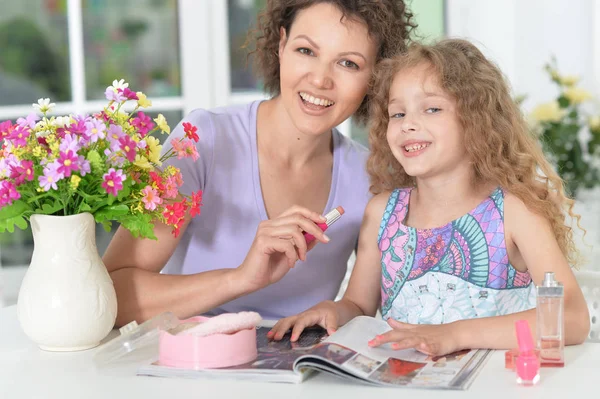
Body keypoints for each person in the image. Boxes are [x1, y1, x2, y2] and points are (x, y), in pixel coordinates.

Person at [102, 0, 416, 326]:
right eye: (306, 51)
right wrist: (240, 278)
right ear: (281, 45)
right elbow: (108, 297)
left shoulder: (372, 178)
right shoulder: (202, 140)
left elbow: (364, 306)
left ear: (375, 77)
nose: (321, 80)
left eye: (348, 63)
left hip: (300, 371)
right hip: (188, 366)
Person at [268, 39, 591, 356]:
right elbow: (360, 306)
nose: (408, 124)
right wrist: (333, 311)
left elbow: (574, 319)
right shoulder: (383, 212)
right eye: (397, 114)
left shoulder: (514, 211)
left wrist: (453, 334)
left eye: (432, 109)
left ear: (477, 121)